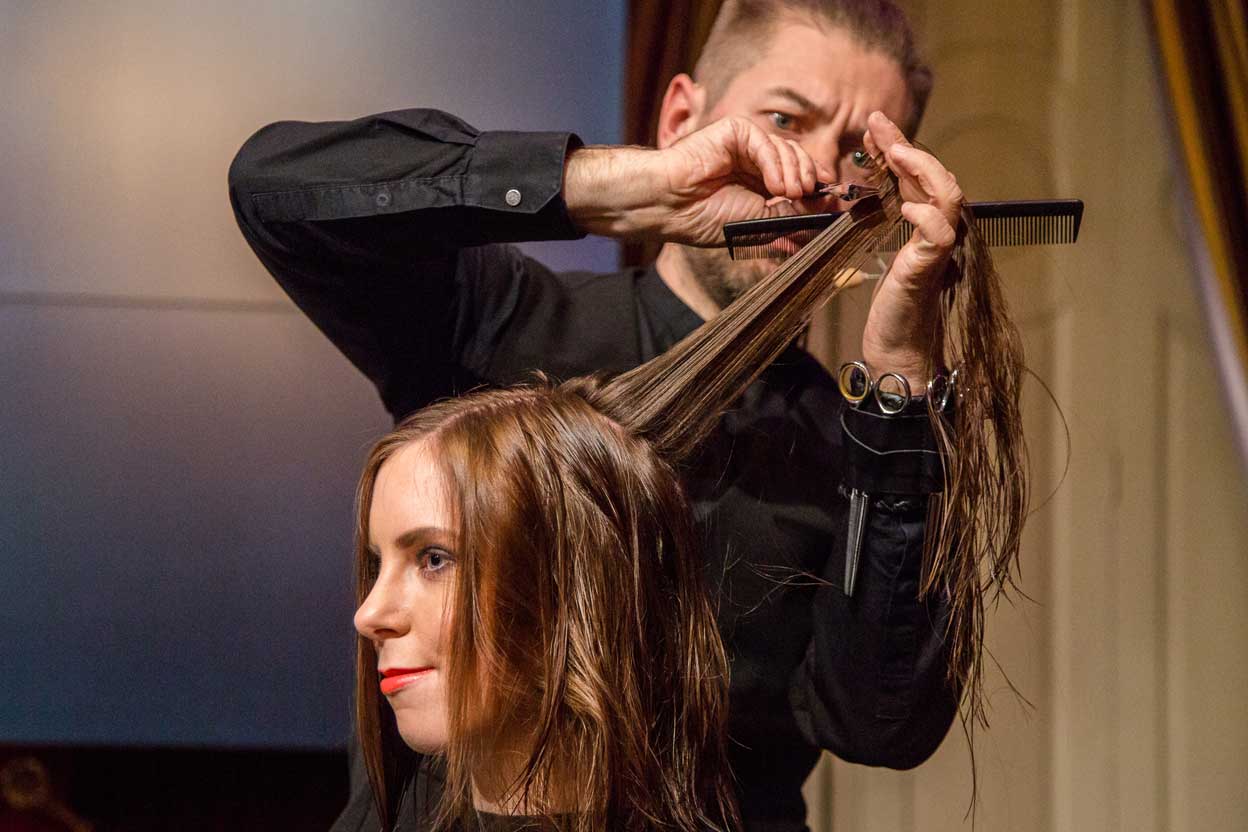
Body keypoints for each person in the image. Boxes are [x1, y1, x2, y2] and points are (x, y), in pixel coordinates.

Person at [229, 1, 966, 828]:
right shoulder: (505, 326)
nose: (818, 176)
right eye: (785, 121)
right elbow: (272, 188)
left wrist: (900, 391)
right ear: (682, 116)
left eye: (862, 155)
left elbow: (881, 725)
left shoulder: (857, 443)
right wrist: (631, 185)